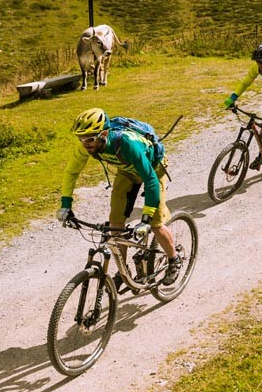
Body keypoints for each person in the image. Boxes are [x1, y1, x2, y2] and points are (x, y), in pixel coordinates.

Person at [55, 108, 182, 286]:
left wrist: (145, 219)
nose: (85, 144)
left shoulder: (126, 143)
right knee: (115, 224)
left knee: (155, 223)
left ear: (104, 133)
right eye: (81, 139)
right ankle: (124, 272)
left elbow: (150, 179)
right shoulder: (86, 146)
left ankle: (174, 259)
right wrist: (65, 204)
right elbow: (71, 172)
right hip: (127, 172)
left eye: (90, 139)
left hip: (154, 170)